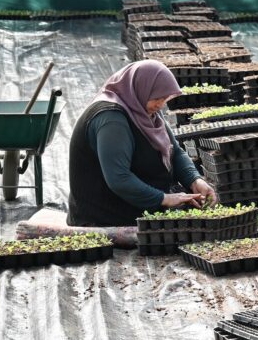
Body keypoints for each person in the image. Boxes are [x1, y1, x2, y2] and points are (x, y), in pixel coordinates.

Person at [67, 60, 218, 227]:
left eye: (164, 98)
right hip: (105, 217)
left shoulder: (143, 108)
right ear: (140, 88)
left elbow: (175, 151)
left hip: (138, 206)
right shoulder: (111, 120)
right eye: (157, 98)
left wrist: (195, 180)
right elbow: (119, 179)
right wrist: (165, 199)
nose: (161, 104)